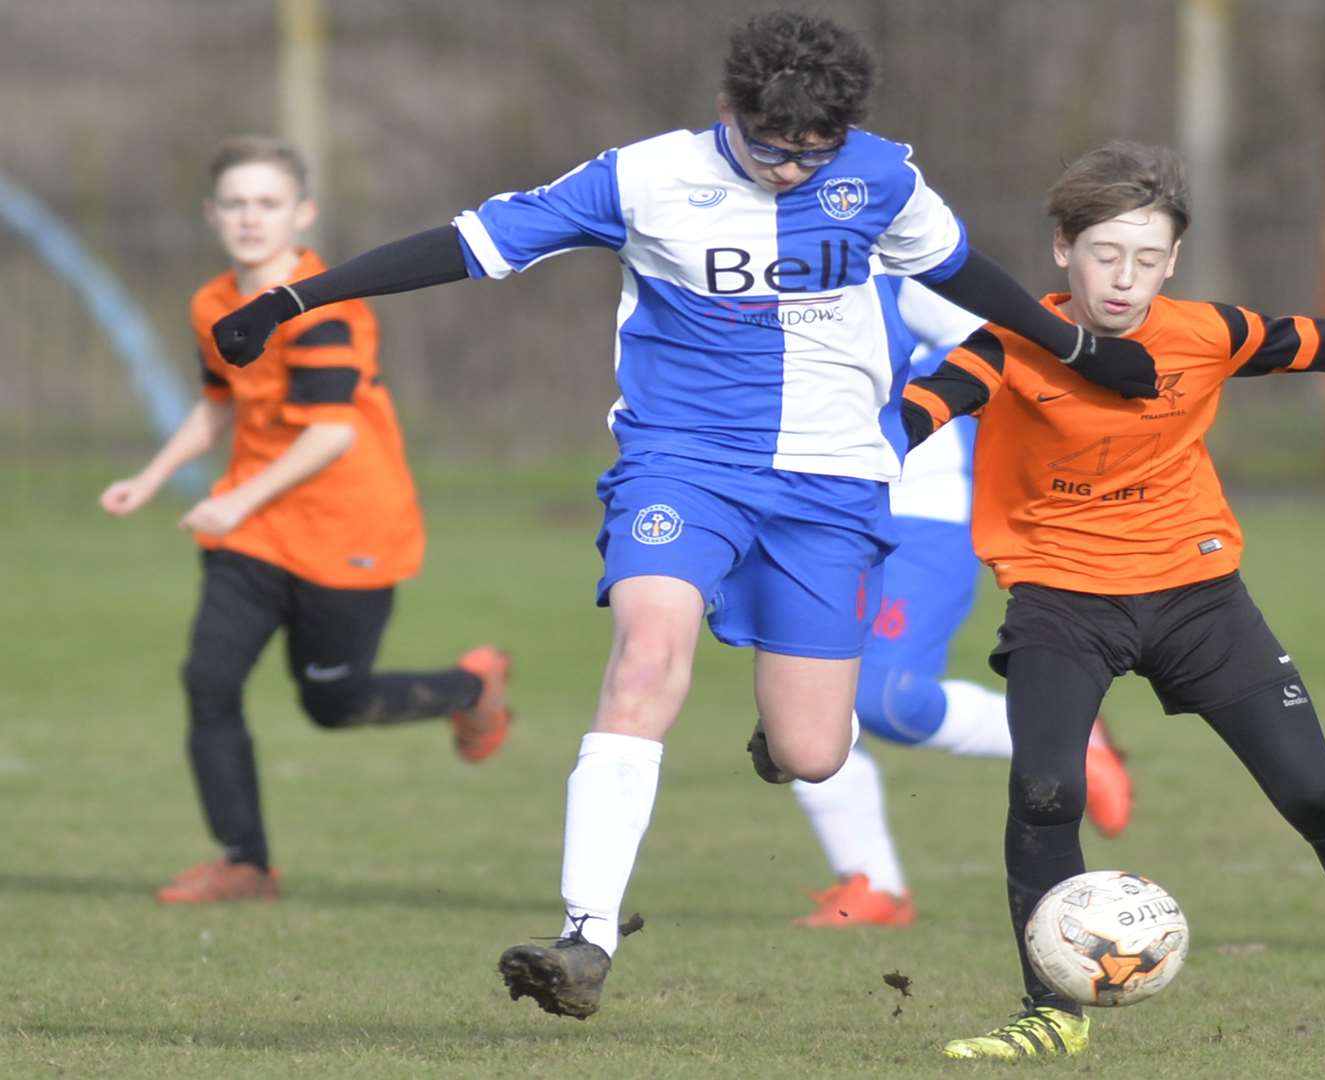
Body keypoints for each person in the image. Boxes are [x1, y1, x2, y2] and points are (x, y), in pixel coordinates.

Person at [205, 12, 1164, 1019]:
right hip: (682, 465)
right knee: (647, 659)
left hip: (831, 485)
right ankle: (586, 936)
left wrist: (1082, 353)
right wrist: (292, 301)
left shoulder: (880, 177)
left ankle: (781, 731)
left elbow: (963, 275)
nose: (791, 172)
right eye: (768, 149)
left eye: (812, 154)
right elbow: (468, 244)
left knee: (812, 753)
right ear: (727, 112)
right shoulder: (642, 177)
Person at [899, 141, 1325, 1059]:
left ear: (1172, 260)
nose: (1124, 279)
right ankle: (1053, 1014)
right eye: (1105, 253)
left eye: (1146, 258)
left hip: (1197, 599)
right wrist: (857, 451)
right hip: (1064, 601)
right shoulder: (1008, 345)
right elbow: (924, 407)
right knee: (1046, 789)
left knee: (1321, 795)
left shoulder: (1205, 334)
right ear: (1063, 249)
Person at [98, 135, 512, 905]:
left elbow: (331, 433)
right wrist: (151, 476)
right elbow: (220, 402)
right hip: (254, 534)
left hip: (348, 531)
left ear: (303, 213)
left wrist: (230, 499)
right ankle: (244, 862)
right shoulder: (212, 302)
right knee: (207, 680)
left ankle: (468, 688)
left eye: (267, 203)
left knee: (332, 702)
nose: (250, 218)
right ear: (211, 214)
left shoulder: (327, 307)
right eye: (235, 203)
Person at [788, 277, 1134, 928]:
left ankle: (1064, 737)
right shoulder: (741, 243)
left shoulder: (888, 249)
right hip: (802, 512)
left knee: (884, 698)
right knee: (797, 703)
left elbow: (992, 347)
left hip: (919, 508)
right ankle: (873, 885)